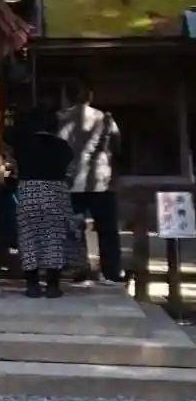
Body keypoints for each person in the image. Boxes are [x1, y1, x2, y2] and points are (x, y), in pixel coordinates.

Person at [59, 82, 123, 285]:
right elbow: (117, 145)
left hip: (71, 181)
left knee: (73, 227)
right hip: (100, 180)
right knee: (107, 228)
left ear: (68, 97)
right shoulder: (105, 118)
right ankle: (111, 272)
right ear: (90, 97)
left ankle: (78, 269)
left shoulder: (60, 118)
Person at [11, 103, 75, 298]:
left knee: (28, 238)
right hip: (55, 192)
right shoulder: (63, 147)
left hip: (28, 191)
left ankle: (32, 284)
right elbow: (69, 171)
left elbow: (14, 167)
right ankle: (53, 285)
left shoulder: (22, 144)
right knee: (54, 238)